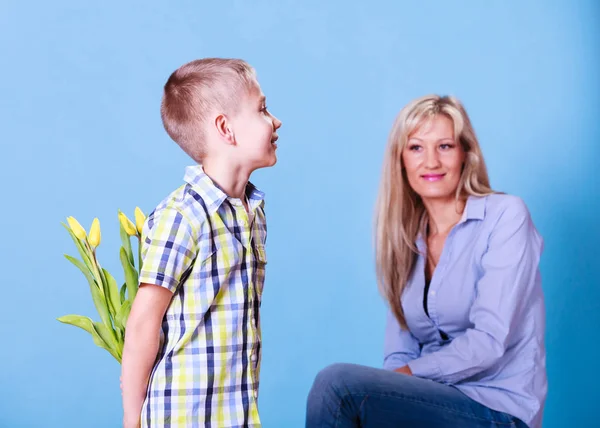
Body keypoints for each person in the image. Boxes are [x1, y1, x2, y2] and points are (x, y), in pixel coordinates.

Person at [306, 95, 546, 427]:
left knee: (338, 386)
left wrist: (406, 377)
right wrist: (394, 387)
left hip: (497, 409)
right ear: (400, 160)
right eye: (416, 148)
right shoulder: (405, 241)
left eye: (445, 146)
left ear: (465, 155)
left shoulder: (505, 216)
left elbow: (488, 342)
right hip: (430, 403)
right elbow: (399, 354)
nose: (431, 161)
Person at [121, 58, 282, 428]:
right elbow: (144, 323)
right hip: (183, 417)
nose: (275, 120)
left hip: (236, 413)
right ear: (225, 128)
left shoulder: (251, 212)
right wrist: (132, 420)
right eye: (262, 109)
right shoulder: (182, 216)